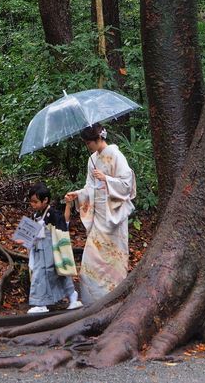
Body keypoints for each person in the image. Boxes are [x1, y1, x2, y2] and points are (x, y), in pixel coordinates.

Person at [65, 124, 136, 305]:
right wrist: (78, 194)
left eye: (89, 142)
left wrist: (107, 179)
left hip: (114, 216)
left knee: (114, 261)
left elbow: (128, 184)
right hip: (98, 217)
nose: (88, 146)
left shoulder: (115, 155)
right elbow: (90, 188)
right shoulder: (92, 161)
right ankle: (93, 302)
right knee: (91, 261)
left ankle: (114, 301)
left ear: (98, 139)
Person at [17, 182, 83, 314]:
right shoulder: (35, 215)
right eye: (32, 202)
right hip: (39, 250)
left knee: (47, 273)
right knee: (49, 274)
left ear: (45, 200)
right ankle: (71, 295)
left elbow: (64, 222)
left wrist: (68, 205)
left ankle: (43, 303)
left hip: (51, 249)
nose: (33, 205)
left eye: (35, 202)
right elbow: (31, 234)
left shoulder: (51, 213)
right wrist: (24, 240)